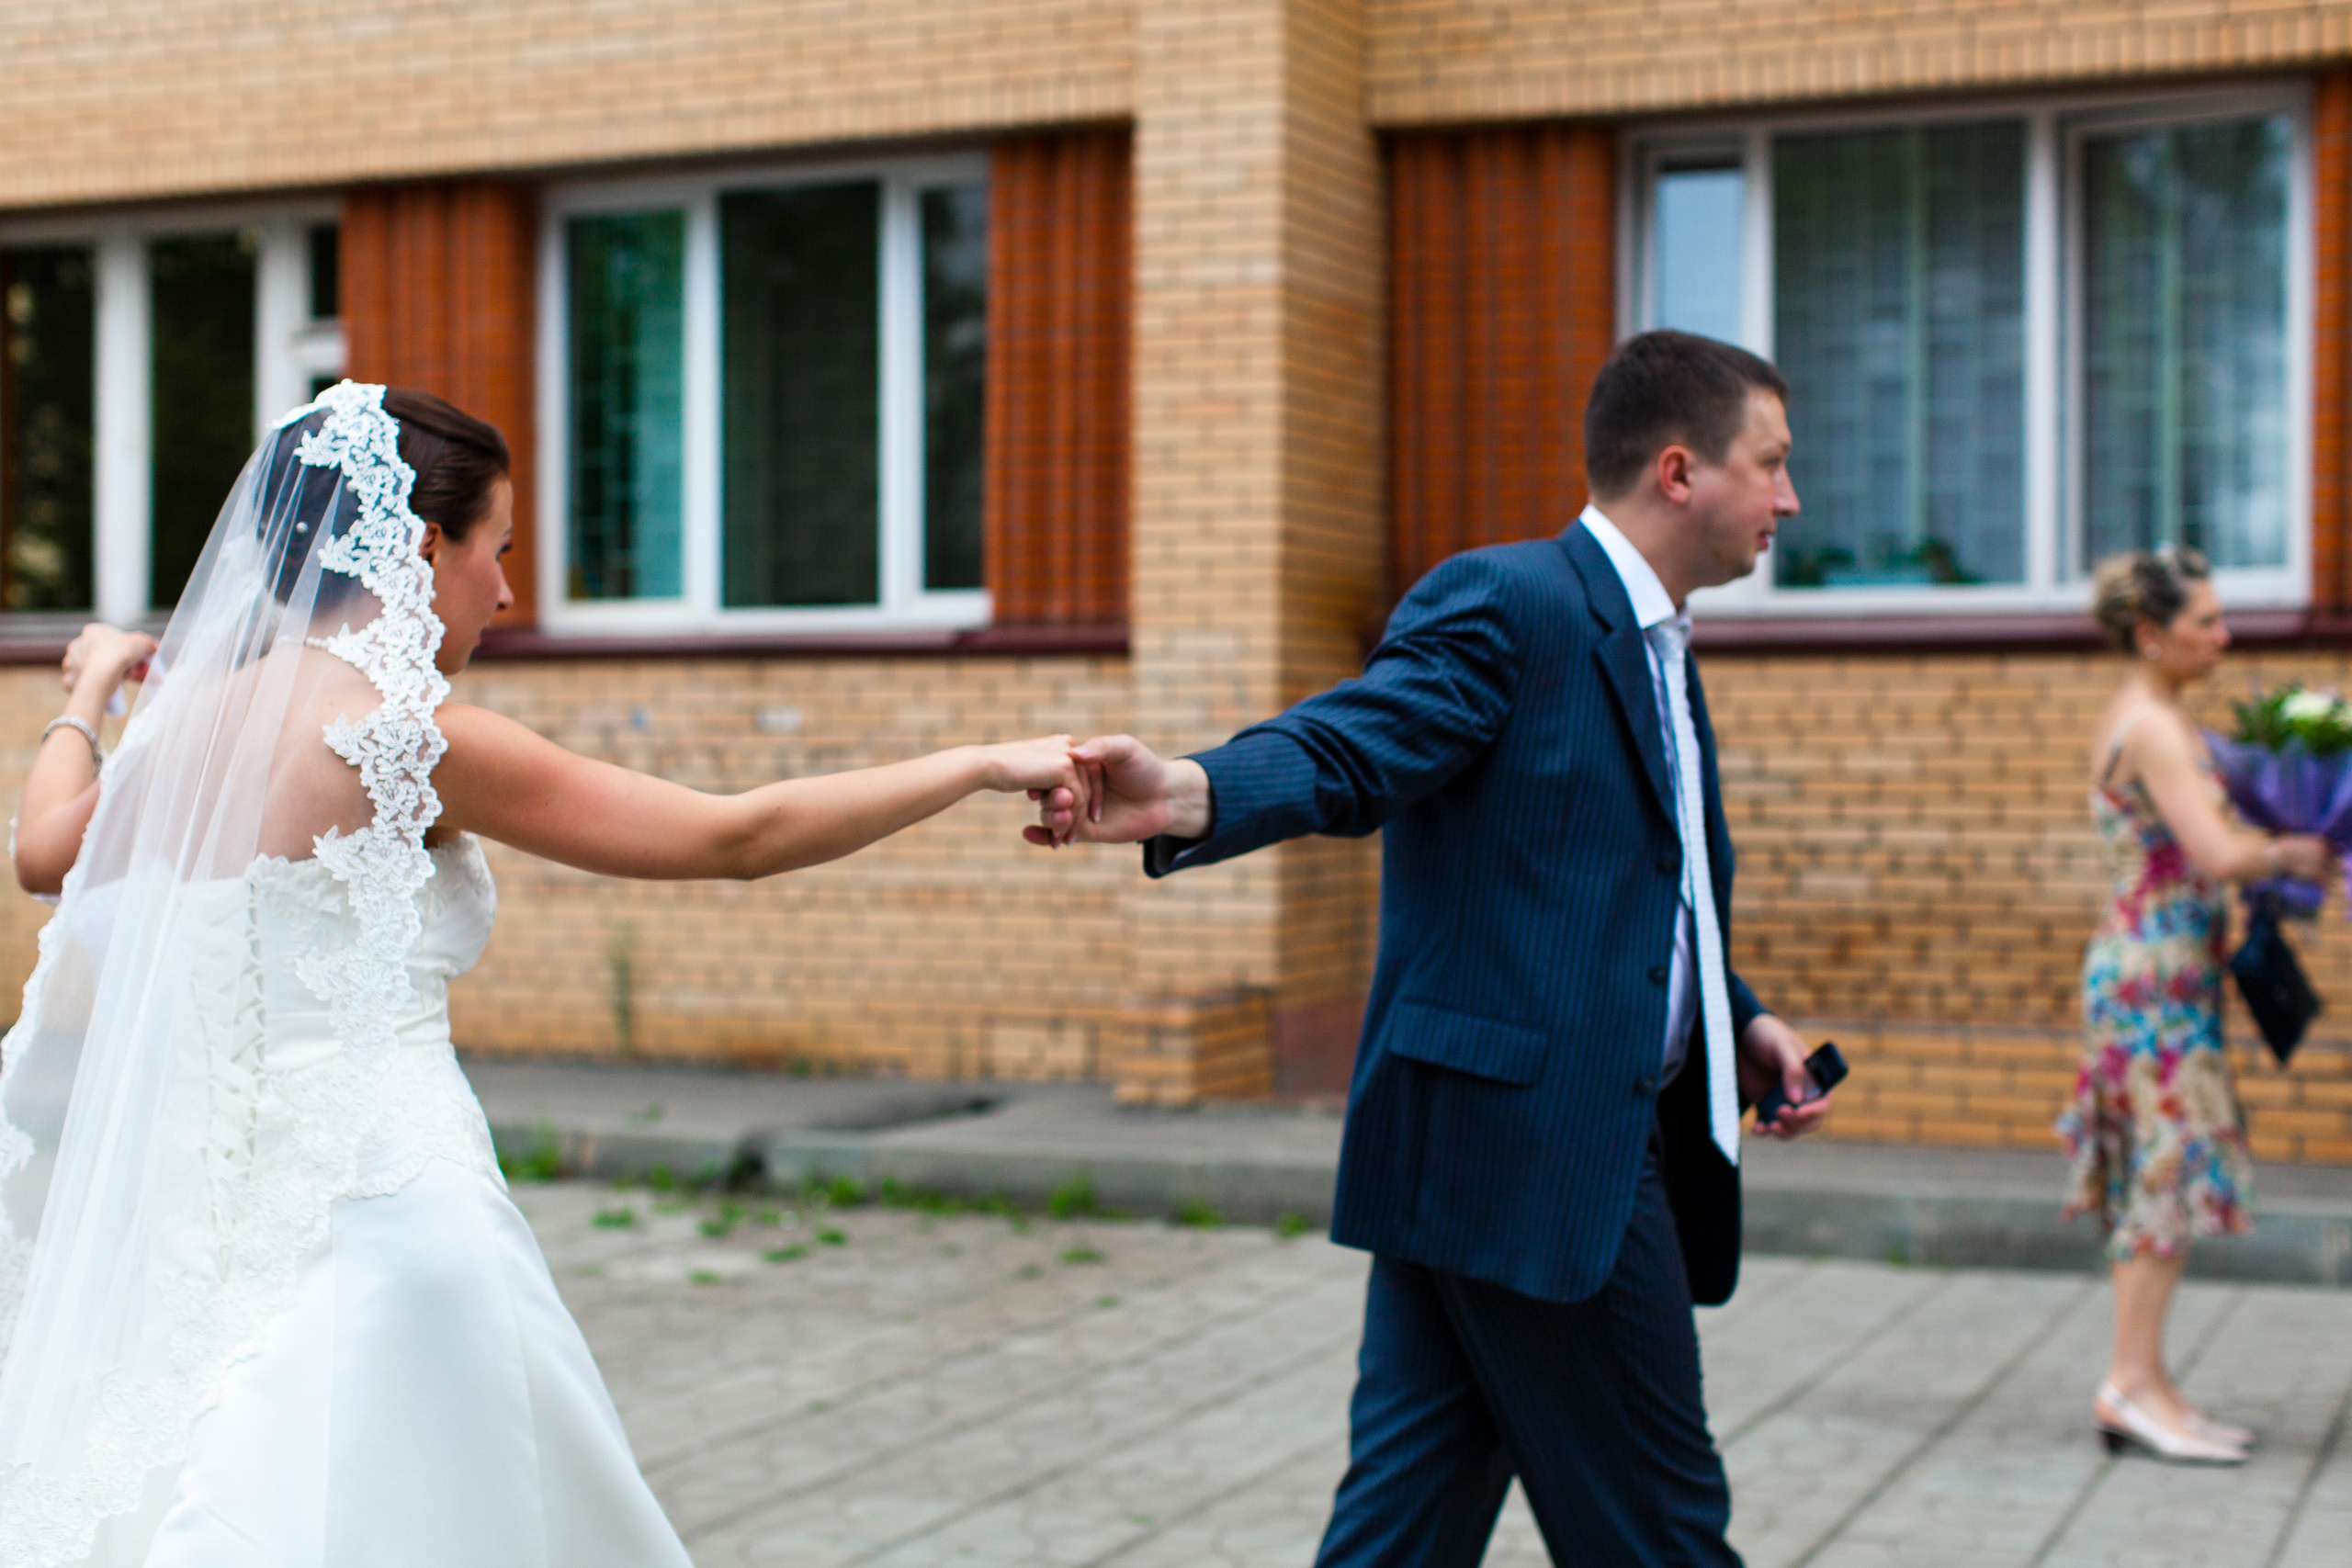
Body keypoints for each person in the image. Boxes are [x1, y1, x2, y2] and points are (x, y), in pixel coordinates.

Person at [0, 382, 1093, 1567]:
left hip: (208, 1233)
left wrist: (91, 692)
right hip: (389, 1216)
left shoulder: (200, 730)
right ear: (423, 547)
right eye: (498, 550)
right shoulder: (405, 732)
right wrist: (981, 761)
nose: (508, 591)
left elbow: (46, 853)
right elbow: (735, 837)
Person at [1030, 330, 1832, 1565]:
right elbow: (1357, 744)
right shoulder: (1510, 601)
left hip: (1479, 1153)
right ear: (1680, 471)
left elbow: (1631, 890)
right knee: (1666, 1529)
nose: (1790, 497)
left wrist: (1735, 1016)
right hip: (1542, 1151)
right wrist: (1187, 789)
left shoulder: (1663, 640)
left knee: (1401, 1531)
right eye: (1772, 464)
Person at [2058, 547, 2326, 1468]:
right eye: (2205, 621)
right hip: (2154, 979)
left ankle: (2152, 1384)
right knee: (2162, 1182)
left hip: (2162, 971)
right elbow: (2215, 852)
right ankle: (2127, 1387)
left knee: (2162, 1175)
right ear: (2149, 633)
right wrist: (2297, 850)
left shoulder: (2156, 716)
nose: (2223, 635)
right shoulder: (2156, 727)